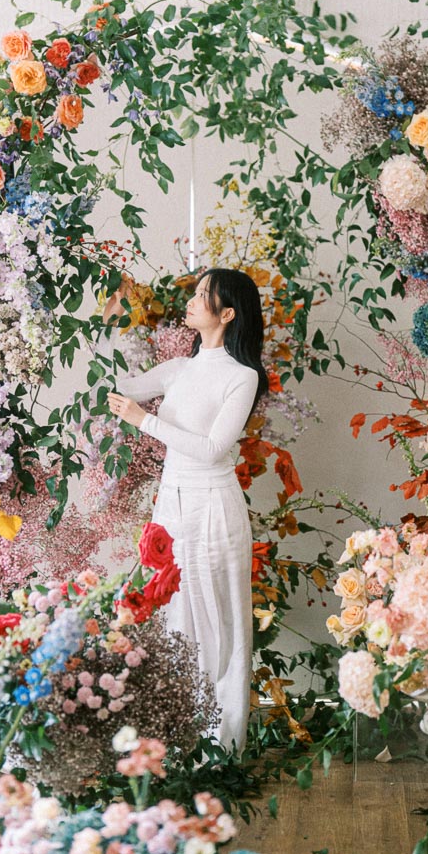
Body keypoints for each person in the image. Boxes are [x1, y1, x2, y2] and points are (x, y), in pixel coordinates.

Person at [103, 268, 269, 751]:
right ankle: (172, 745)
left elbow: (215, 447)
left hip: (213, 508)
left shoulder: (243, 377)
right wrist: (108, 323)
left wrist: (145, 422)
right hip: (171, 506)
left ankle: (221, 747)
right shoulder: (180, 368)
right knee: (170, 615)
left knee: (219, 619)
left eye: (203, 296)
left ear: (227, 313)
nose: (192, 301)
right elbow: (121, 384)